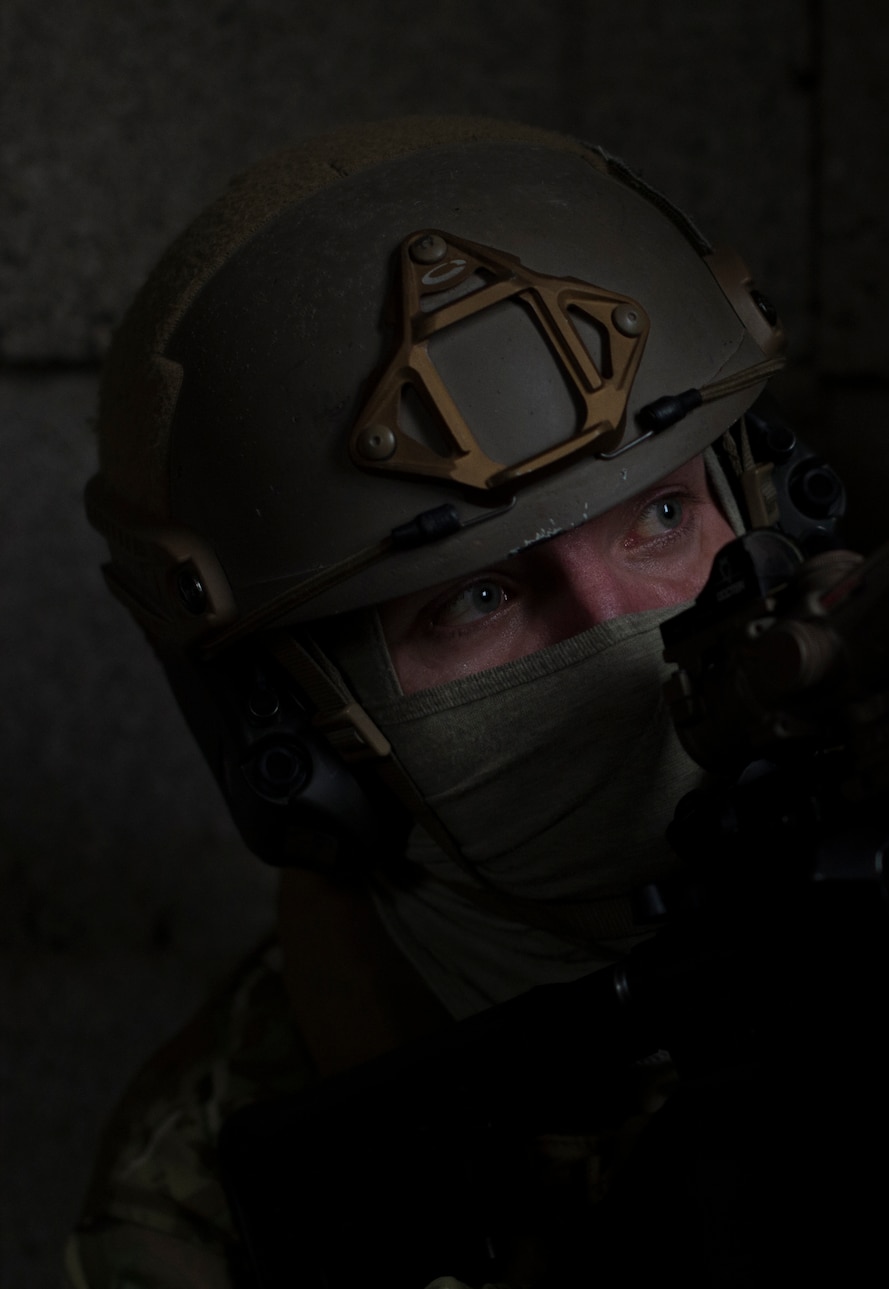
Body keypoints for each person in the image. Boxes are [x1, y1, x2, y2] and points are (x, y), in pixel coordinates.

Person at [66, 115, 805, 1289]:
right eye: (477, 597)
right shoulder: (211, 1216)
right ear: (292, 728)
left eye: (661, 517)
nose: (625, 640)